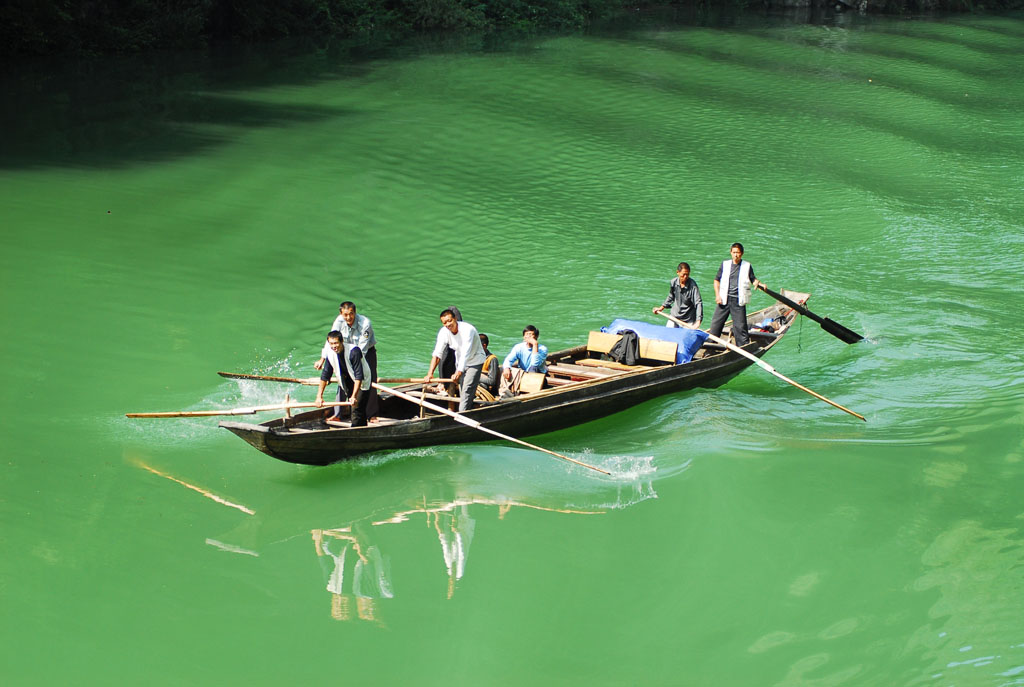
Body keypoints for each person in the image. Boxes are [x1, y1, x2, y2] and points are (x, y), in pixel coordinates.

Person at [315, 301, 378, 421]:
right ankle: (338, 414)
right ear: (341, 314)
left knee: (368, 381)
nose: (348, 317)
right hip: (343, 351)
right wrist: (322, 359)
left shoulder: (365, 323)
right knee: (341, 378)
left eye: (351, 314)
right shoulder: (339, 321)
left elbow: (362, 349)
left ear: (355, 312)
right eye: (345, 315)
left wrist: (355, 366)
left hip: (364, 353)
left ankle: (372, 414)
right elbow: (331, 340)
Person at [425, 309, 486, 413]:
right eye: (444, 323)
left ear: (455, 319)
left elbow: (465, 352)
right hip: (460, 362)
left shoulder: (468, 330)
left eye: (450, 321)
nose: (448, 324)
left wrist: (458, 372)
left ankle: (462, 416)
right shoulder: (443, 332)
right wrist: (430, 374)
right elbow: (437, 354)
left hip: (475, 361)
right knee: (463, 392)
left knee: (466, 391)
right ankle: (470, 409)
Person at [708, 243, 762, 347]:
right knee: (715, 325)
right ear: (731, 253)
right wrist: (717, 295)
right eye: (734, 252)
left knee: (740, 327)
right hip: (724, 299)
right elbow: (716, 280)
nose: (736, 255)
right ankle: (709, 347)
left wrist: (759, 283)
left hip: (738, 300)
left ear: (741, 254)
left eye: (738, 253)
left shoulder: (747, 266)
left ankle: (743, 348)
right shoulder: (725, 264)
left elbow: (753, 279)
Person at [316, 330, 371, 427]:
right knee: (356, 410)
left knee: (356, 409)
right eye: (331, 344)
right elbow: (325, 376)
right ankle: (363, 428)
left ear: (342, 342)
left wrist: (354, 396)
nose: (334, 346)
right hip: (347, 381)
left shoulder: (354, 351)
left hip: (362, 382)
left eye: (336, 343)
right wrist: (319, 396)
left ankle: (356, 432)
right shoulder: (330, 353)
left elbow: (359, 376)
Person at [653, 261, 703, 329]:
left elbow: (698, 303)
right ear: (678, 272)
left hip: (688, 320)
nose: (685, 277)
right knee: (668, 334)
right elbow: (671, 296)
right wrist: (661, 308)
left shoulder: (693, 286)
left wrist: (698, 321)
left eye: (687, 274)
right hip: (675, 316)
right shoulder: (673, 282)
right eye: (683, 274)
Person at [500, 325, 548, 395]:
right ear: (524, 337)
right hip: (523, 376)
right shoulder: (519, 347)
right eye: (527, 335)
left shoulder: (543, 349)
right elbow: (508, 360)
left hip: (538, 376)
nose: (528, 337)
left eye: (531, 335)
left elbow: (535, 364)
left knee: (533, 368)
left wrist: (535, 344)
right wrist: (506, 368)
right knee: (505, 369)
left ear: (536, 337)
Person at [478, 333, 500, 397]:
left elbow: (491, 381)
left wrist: (475, 376)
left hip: (485, 388)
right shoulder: (473, 357)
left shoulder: (492, 359)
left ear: (484, 346)